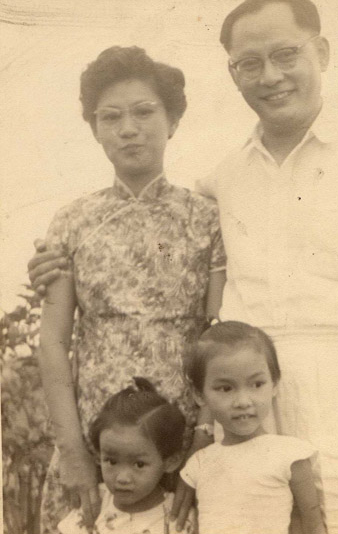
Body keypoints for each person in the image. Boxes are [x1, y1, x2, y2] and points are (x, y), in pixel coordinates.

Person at [29, 0, 338, 533]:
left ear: (320, 52)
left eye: (286, 55)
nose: (270, 76)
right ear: (233, 75)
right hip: (243, 412)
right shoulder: (223, 181)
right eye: (249, 63)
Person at [37, 45, 226, 534]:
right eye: (110, 117)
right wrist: (75, 452)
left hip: (183, 432)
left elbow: (217, 331)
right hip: (100, 441)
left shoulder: (206, 218)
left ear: (172, 120)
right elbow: (54, 343)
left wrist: (203, 439)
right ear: (96, 129)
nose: (128, 128)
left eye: (144, 112)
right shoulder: (74, 222)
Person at [181, 321, 326, 534]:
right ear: (200, 395)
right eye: (226, 388)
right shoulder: (199, 464)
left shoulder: (290, 455)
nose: (243, 401)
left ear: (274, 384)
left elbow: (313, 525)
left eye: (257, 384)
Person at [58, 377, 195, 534]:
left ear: (170, 461)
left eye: (139, 464)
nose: (122, 478)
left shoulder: (179, 517)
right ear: (98, 455)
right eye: (111, 461)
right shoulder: (93, 506)